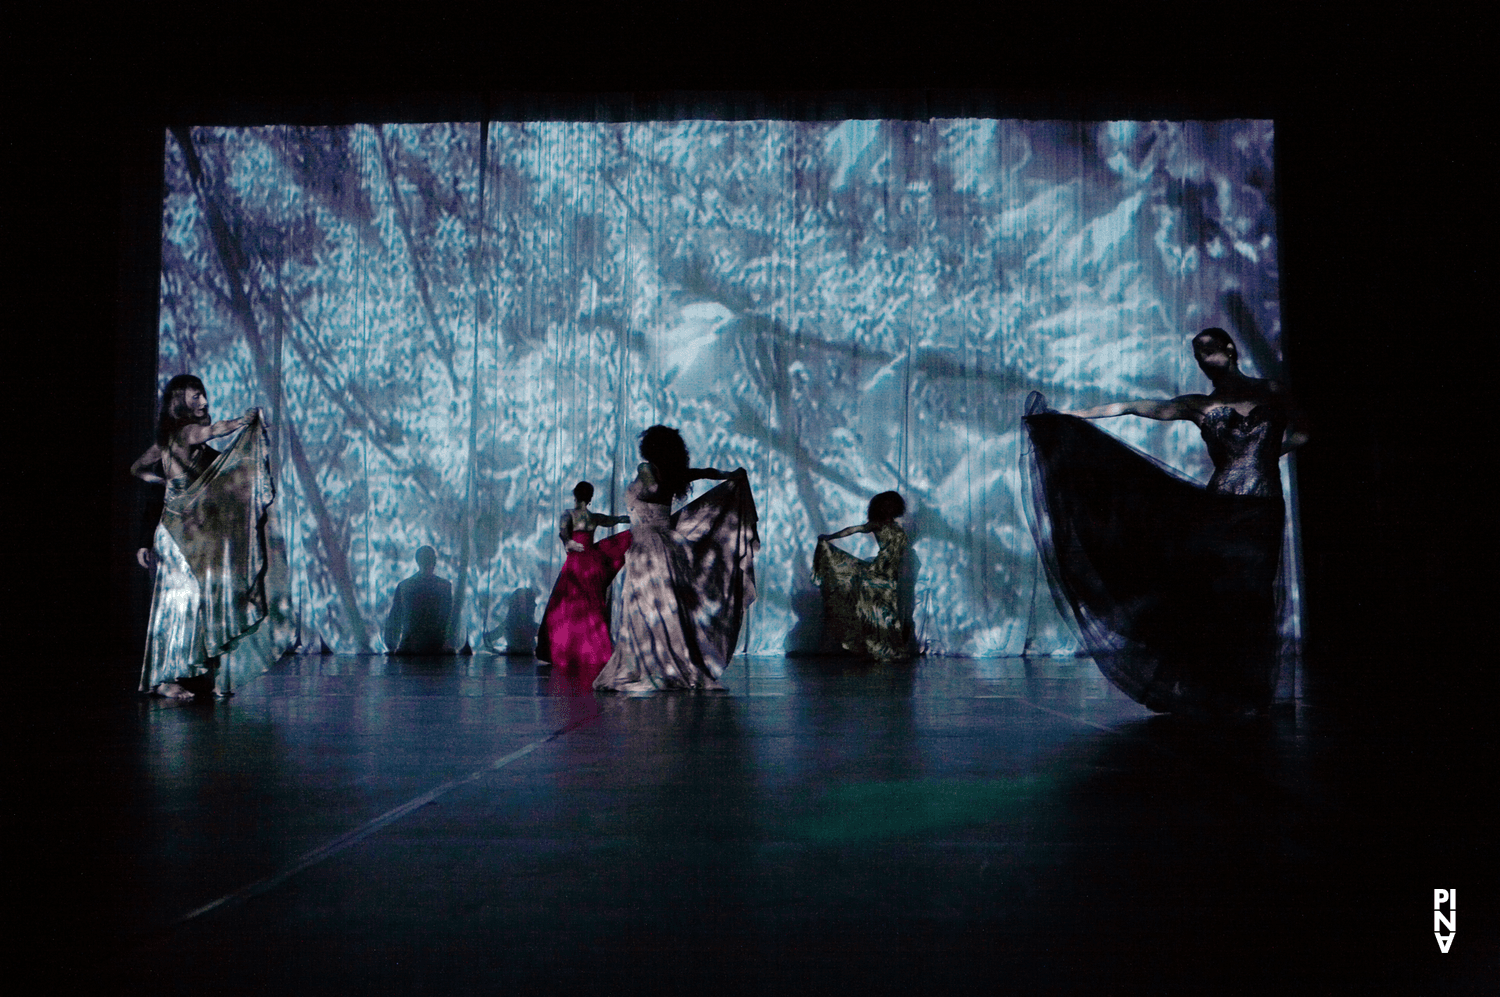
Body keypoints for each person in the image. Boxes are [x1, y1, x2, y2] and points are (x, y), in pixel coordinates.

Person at [1023, 328, 1307, 715]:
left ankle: (1251, 690)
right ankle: (1223, 689)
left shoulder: (1271, 390)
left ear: (1229, 349)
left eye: (1207, 349)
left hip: (1264, 506)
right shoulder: (1197, 405)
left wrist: (1267, 454)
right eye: (1196, 354)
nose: (1202, 359)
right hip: (1222, 507)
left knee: (1257, 593)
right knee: (1224, 596)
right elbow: (1132, 405)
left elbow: (1303, 434)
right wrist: (1068, 417)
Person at [131, 375, 277, 699]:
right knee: (183, 600)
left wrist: (161, 481)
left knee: (187, 601)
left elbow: (137, 468)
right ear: (181, 401)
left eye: (204, 396)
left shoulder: (171, 439)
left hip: (183, 534)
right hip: (176, 535)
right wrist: (243, 421)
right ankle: (166, 678)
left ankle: (184, 675)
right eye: (196, 397)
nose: (204, 403)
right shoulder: (186, 432)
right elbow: (216, 429)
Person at [593, 426, 759, 693]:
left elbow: (654, 488)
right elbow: (705, 473)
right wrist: (729, 475)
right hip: (655, 547)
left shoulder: (647, 470)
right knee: (655, 607)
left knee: (651, 607)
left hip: (651, 549)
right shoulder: (671, 473)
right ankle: (660, 661)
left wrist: (647, 477)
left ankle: (659, 664)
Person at [534, 482, 631, 676]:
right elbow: (615, 520)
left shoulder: (569, 514)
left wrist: (568, 541)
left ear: (575, 495)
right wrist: (634, 519)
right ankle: (592, 652)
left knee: (566, 608)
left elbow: (563, 532)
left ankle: (567, 652)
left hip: (577, 563)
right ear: (591, 497)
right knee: (591, 606)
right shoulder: (594, 517)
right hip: (592, 563)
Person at [813, 491, 912, 661]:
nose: (888, 508)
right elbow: (853, 529)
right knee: (880, 610)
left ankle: (884, 649)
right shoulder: (877, 525)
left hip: (890, 575)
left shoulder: (897, 527)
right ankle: (874, 648)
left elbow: (900, 553)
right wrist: (830, 537)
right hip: (879, 572)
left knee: (885, 611)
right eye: (885, 505)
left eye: (891, 505)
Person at [383, 546, 455, 654]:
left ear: (417, 561)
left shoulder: (405, 586)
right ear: (435, 561)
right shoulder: (444, 587)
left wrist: (391, 646)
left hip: (411, 648)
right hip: (436, 648)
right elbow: (449, 618)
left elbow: (395, 618)